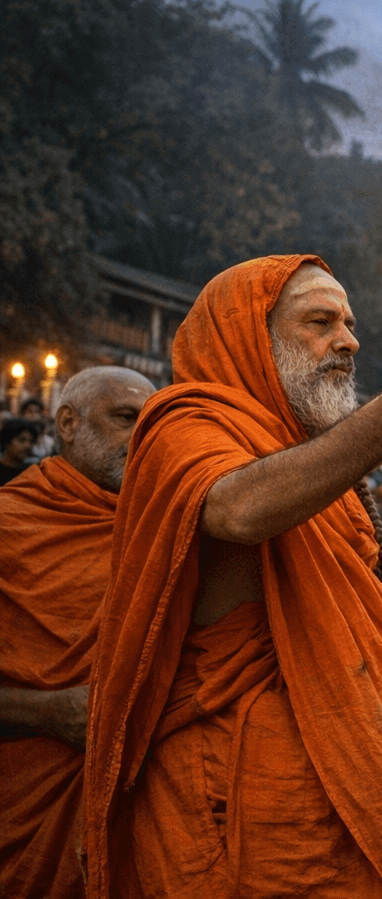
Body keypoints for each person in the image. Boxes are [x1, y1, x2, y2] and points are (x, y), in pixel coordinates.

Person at [82, 256, 382, 899]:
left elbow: (365, 581)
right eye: (320, 322)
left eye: (349, 325)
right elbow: (238, 511)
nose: (349, 341)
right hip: (244, 808)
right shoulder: (183, 424)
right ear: (251, 336)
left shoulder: (316, 459)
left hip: (359, 783)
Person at [0, 367, 155, 898]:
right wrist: (48, 712)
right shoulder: (10, 523)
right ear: (67, 423)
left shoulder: (165, 526)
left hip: (142, 812)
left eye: (152, 426)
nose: (141, 438)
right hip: (24, 811)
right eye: (125, 418)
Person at [0, 420, 36, 485]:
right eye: (21, 440)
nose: (28, 446)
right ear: (6, 442)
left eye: (31, 441)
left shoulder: (31, 472)